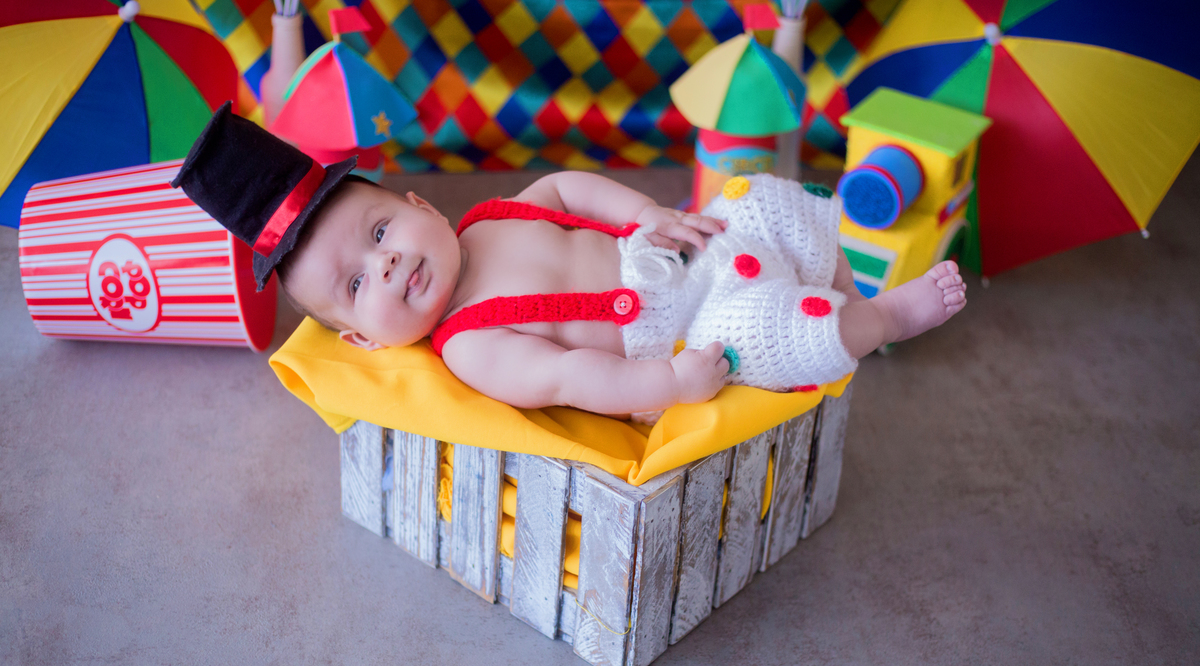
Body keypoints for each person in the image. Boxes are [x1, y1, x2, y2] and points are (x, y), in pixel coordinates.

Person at [173, 105, 965, 422]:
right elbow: (572, 380)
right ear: (364, 342)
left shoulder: (489, 219)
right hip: (685, 324)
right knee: (775, 329)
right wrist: (671, 384)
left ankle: (839, 274)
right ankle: (884, 316)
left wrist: (644, 214)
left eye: (379, 235)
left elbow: (563, 184)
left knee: (758, 198)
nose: (384, 268)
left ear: (421, 208)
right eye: (356, 285)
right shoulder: (471, 345)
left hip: (680, 248)